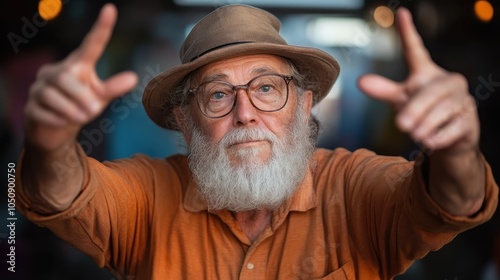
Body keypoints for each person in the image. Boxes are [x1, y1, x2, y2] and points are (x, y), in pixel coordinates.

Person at [17, 3, 498, 280]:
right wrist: (50, 139)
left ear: (304, 104)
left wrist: (456, 149)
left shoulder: (353, 188)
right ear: (185, 122)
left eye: (267, 88)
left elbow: (448, 203)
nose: (245, 112)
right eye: (218, 94)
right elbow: (64, 194)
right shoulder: (146, 197)